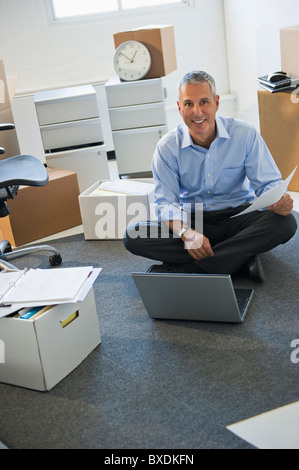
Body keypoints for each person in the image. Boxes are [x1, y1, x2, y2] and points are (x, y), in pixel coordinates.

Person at [123, 71, 297, 281]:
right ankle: (236, 260)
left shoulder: (244, 134)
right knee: (133, 235)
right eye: (188, 104)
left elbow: (268, 184)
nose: (197, 112)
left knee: (286, 223)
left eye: (204, 102)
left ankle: (189, 270)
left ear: (216, 102)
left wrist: (280, 200)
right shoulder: (167, 147)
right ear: (179, 108)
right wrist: (186, 233)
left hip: (238, 218)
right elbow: (164, 203)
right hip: (190, 220)